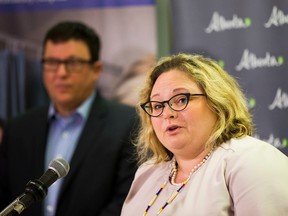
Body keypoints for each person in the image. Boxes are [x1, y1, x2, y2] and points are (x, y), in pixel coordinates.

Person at [120, 53, 288, 216]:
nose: (167, 113)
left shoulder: (251, 160)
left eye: (180, 99)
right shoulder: (147, 172)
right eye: (157, 106)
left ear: (217, 101)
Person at [0, 21, 138, 216]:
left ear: (96, 69)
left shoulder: (127, 123)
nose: (61, 73)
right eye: (52, 63)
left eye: (72, 63)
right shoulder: (18, 129)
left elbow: (127, 201)